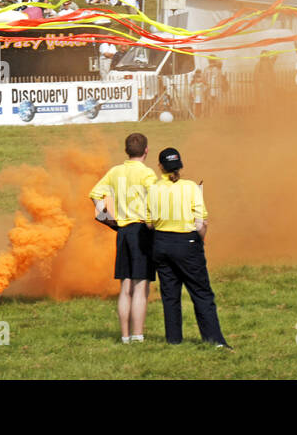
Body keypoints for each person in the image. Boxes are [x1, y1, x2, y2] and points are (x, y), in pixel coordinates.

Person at [146, 147, 231, 349]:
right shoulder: (191, 187)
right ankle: (215, 341)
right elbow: (202, 222)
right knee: (201, 293)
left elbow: (149, 224)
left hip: (161, 243)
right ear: (180, 166)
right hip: (187, 243)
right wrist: (200, 240)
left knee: (170, 295)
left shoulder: (153, 189)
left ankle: (174, 341)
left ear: (160, 167)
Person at [89, 132, 158, 344]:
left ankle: (124, 336)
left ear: (126, 151)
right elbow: (155, 202)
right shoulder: (147, 174)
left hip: (122, 233)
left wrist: (108, 219)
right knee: (140, 286)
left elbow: (95, 194)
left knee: (125, 286)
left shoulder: (115, 172)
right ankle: (138, 336)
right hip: (141, 231)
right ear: (146, 150)